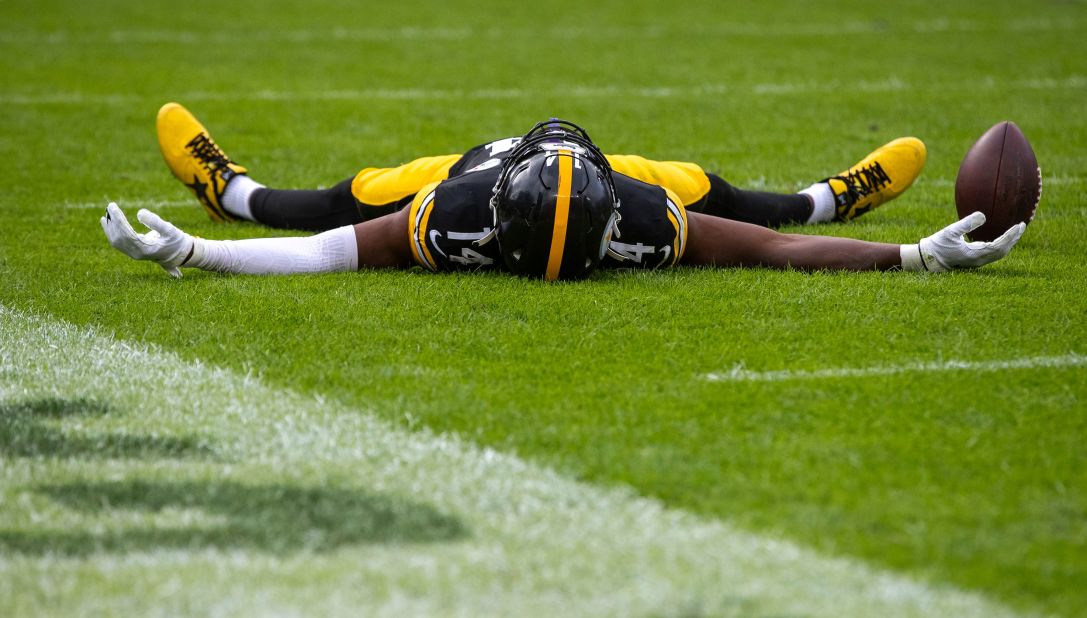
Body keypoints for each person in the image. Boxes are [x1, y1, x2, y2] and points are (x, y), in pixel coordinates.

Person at [102, 103, 1025, 280]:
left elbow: (329, 257)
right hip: (471, 165)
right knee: (308, 201)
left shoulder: (620, 200)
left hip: (504, 176)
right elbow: (321, 244)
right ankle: (229, 190)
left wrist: (912, 251)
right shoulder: (461, 203)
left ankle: (835, 192)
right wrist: (907, 257)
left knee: (757, 201)